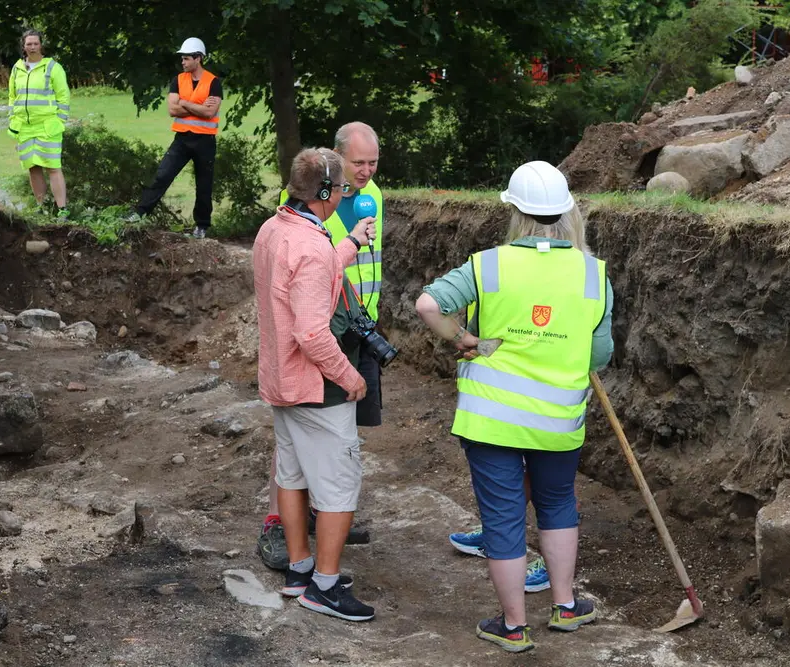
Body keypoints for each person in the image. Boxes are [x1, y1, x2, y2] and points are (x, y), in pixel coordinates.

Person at [415, 161, 613, 653]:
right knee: (557, 504)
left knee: (503, 518)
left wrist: (463, 339)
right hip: (559, 422)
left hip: (492, 421)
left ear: (515, 211)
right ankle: (565, 607)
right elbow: (600, 354)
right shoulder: (594, 273)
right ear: (566, 211)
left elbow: (427, 305)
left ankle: (513, 626)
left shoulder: (488, 265)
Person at [253, 147, 376, 621]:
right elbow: (310, 331)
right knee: (339, 486)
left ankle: (299, 570)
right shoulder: (308, 245)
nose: (347, 193)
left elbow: (308, 274)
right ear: (326, 192)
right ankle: (324, 586)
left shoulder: (274, 229)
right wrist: (350, 377)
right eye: (343, 187)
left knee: (292, 475)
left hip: (280, 379)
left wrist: (351, 245)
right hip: (315, 387)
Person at [128, 37, 221, 238]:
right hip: (182, 139)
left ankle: (202, 226)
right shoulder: (177, 80)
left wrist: (185, 103)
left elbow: (209, 113)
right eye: (183, 59)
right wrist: (196, 106)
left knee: (204, 185)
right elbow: (172, 109)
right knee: (162, 175)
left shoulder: (213, 82)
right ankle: (139, 214)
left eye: (186, 58)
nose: (183, 62)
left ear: (198, 58)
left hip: (205, 141)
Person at [8, 29, 70, 218]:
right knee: (33, 167)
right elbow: (12, 97)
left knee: (53, 167)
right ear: (23, 46)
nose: (33, 47)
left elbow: (63, 96)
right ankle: (41, 208)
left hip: (48, 126)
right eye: (29, 44)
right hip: (25, 128)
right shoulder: (17, 68)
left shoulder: (53, 67)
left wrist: (60, 121)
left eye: (36, 43)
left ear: (41, 45)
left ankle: (62, 210)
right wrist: (13, 120)